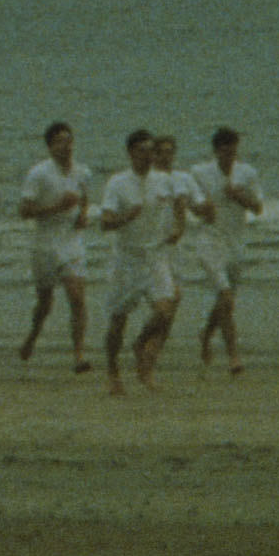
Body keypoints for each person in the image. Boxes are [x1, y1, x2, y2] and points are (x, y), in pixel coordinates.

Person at [97, 130, 183, 395]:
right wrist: (125, 217)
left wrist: (178, 227)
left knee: (165, 310)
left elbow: (179, 205)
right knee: (118, 319)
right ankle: (113, 371)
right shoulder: (118, 183)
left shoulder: (164, 181)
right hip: (127, 259)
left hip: (154, 256)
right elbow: (105, 222)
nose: (148, 156)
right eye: (142, 150)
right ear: (131, 153)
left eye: (151, 150)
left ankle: (141, 346)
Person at [15, 122, 94, 372]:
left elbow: (84, 198)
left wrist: (83, 214)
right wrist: (57, 207)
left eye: (69, 140)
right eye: (59, 141)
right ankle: (32, 337)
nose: (65, 146)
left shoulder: (82, 172)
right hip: (45, 242)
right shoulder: (39, 173)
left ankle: (79, 355)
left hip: (71, 240)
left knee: (77, 296)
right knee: (45, 302)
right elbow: (24, 211)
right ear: (50, 146)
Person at [187, 127, 264, 375]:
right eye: (224, 150)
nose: (229, 155)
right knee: (226, 296)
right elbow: (192, 205)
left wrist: (239, 197)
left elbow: (258, 207)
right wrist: (203, 208)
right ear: (216, 150)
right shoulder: (199, 173)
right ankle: (234, 357)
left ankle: (206, 334)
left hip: (235, 241)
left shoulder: (247, 173)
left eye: (233, 150)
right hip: (209, 239)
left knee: (225, 300)